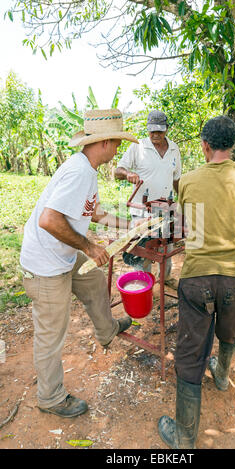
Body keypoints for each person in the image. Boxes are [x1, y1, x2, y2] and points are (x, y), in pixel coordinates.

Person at [158, 115, 235, 448]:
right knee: (229, 329)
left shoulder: (190, 180)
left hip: (197, 278)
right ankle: (221, 375)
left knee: (191, 354)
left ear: (205, 146)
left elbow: (189, 224)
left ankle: (184, 437)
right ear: (233, 144)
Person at [20, 109, 139, 418]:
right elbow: (49, 219)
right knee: (51, 332)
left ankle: (107, 330)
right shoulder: (80, 172)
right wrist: (88, 244)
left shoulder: (88, 169)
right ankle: (51, 397)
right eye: (117, 144)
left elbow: (95, 213)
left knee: (94, 279)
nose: (118, 150)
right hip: (45, 264)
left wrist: (130, 225)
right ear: (106, 143)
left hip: (62, 255)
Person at [114, 110, 181, 289]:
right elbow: (117, 170)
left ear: (167, 129)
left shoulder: (174, 149)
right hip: (141, 210)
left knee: (166, 245)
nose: (155, 135)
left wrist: (182, 199)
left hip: (165, 208)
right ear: (147, 129)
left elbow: (176, 179)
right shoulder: (138, 147)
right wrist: (128, 173)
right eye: (152, 131)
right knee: (143, 248)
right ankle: (144, 282)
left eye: (159, 131)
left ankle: (165, 277)